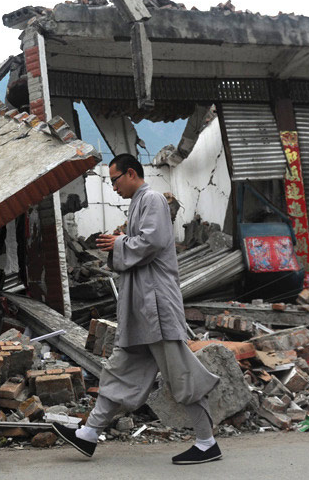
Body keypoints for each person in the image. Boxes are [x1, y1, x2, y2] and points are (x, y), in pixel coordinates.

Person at [51, 154, 222, 465]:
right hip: (141, 308)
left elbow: (152, 241)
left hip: (155, 306)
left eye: (115, 180)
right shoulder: (138, 204)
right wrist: (119, 242)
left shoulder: (152, 199)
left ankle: (207, 441)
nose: (113, 186)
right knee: (120, 369)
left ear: (131, 173)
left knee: (179, 373)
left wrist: (118, 243)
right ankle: (89, 433)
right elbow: (138, 244)